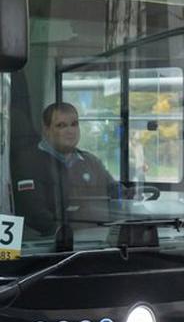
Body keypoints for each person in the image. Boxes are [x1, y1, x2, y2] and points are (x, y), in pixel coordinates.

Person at [13, 101, 120, 239]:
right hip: (54, 247)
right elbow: (35, 215)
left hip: (97, 243)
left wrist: (130, 194)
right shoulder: (28, 163)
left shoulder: (91, 161)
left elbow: (115, 192)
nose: (70, 131)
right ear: (46, 130)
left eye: (74, 124)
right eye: (61, 126)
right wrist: (68, 234)